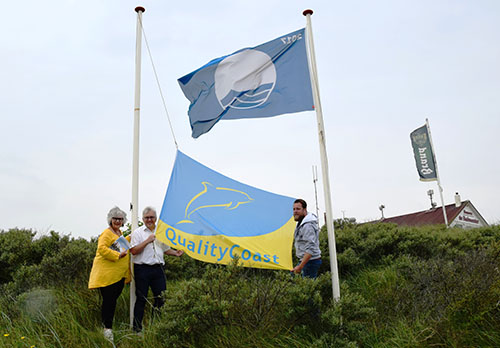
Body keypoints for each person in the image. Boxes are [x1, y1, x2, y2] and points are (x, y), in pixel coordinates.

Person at [130, 206, 184, 332]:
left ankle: (156, 327)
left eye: (152, 217)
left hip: (158, 269)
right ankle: (137, 330)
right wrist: (147, 241)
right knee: (141, 299)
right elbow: (133, 251)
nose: (149, 220)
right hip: (142, 269)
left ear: (155, 218)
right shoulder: (138, 233)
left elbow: (165, 249)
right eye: (147, 217)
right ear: (143, 219)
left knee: (161, 298)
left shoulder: (160, 232)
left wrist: (175, 253)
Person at [88, 207, 131, 342]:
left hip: (118, 275)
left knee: (112, 301)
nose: (117, 221)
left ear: (123, 221)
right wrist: (118, 255)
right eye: (115, 219)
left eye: (120, 219)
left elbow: (121, 244)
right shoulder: (106, 233)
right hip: (106, 276)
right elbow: (102, 249)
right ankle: (107, 330)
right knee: (109, 302)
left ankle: (107, 328)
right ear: (110, 220)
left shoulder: (119, 233)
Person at [291, 199, 322, 278]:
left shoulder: (307, 226)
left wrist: (300, 267)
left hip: (310, 261)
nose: (295, 211)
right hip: (306, 261)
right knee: (292, 276)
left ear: (304, 210)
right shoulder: (301, 223)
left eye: (298, 209)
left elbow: (310, 248)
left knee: (308, 287)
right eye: (294, 209)